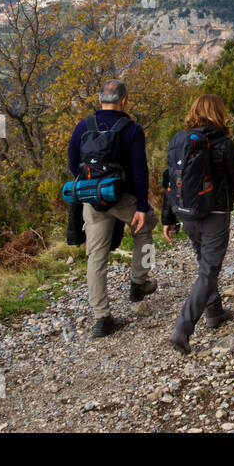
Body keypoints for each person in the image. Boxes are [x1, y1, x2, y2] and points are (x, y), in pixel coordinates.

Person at [161, 94, 234, 355]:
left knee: (204, 263)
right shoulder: (224, 143)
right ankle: (182, 329)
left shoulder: (179, 141)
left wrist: (168, 218)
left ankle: (214, 311)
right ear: (219, 113)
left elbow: (170, 181)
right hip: (215, 212)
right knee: (208, 271)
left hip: (187, 213)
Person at [67, 79, 157, 338]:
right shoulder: (132, 129)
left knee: (96, 257)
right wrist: (142, 206)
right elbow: (140, 171)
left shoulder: (83, 127)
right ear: (124, 100)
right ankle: (139, 282)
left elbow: (73, 165)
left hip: (93, 199)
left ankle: (101, 318)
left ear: (99, 100)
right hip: (124, 198)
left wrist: (94, 184)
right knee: (146, 229)